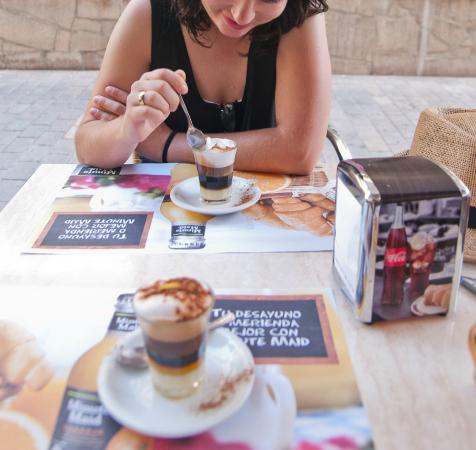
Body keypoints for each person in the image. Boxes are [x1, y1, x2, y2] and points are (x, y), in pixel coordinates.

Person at [76, 0, 331, 174]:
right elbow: (87, 147)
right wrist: (127, 129)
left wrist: (168, 146)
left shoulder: (299, 13)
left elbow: (300, 152)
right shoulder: (148, 12)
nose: (242, 15)